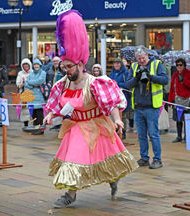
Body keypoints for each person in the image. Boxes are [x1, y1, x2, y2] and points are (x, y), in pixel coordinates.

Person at [43, 10, 137, 208]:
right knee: (72, 159)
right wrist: (50, 115)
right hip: (75, 126)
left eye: (69, 67)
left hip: (97, 125)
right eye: (64, 67)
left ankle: (113, 180)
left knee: (107, 160)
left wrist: (117, 119)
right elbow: (55, 103)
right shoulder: (63, 83)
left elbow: (110, 103)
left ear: (79, 63)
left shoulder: (95, 83)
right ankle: (70, 194)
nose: (66, 71)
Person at [126, 48, 168, 169]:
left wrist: (151, 77)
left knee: (154, 134)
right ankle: (144, 158)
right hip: (138, 107)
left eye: (143, 58)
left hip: (151, 106)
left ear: (147, 55)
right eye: (139, 59)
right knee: (141, 135)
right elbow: (128, 84)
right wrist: (137, 78)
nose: (141, 61)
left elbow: (165, 80)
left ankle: (157, 159)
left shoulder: (156, 64)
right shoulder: (134, 67)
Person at [168, 58, 190, 143]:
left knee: (187, 119)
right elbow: (172, 88)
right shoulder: (175, 75)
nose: (179, 67)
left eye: (180, 65)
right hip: (177, 99)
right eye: (177, 65)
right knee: (178, 119)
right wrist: (170, 100)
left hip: (188, 99)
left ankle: (186, 137)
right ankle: (179, 136)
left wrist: (184, 80)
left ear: (184, 65)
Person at [109, 58, 132, 139]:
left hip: (124, 97)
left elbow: (128, 84)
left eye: (118, 63)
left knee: (124, 116)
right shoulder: (112, 73)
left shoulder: (126, 73)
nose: (116, 65)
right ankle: (115, 131)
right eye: (115, 64)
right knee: (114, 115)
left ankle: (123, 131)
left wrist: (118, 84)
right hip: (114, 97)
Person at [24, 58, 46, 134]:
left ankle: (40, 129)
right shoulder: (31, 73)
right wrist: (32, 85)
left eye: (37, 64)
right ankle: (35, 129)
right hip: (31, 96)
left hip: (39, 96)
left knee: (40, 113)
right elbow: (26, 83)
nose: (36, 66)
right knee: (34, 114)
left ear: (40, 65)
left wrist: (30, 83)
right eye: (35, 65)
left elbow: (40, 81)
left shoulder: (43, 73)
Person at [16, 58, 33, 127]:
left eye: (27, 64)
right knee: (24, 109)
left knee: (32, 109)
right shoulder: (20, 73)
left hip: (32, 93)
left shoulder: (33, 72)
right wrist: (23, 82)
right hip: (23, 94)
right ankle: (25, 124)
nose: (26, 65)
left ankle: (32, 123)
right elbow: (18, 84)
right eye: (24, 64)